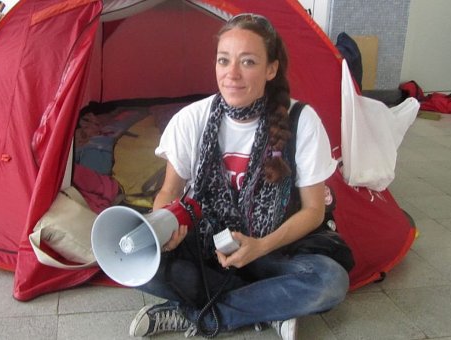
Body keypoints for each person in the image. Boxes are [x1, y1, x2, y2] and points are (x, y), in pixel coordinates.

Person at [128, 13, 352, 340]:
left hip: (273, 249)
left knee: (330, 282)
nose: (231, 74)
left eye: (247, 62)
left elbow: (313, 211)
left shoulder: (301, 120)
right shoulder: (192, 119)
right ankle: (268, 305)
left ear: (271, 69)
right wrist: (166, 224)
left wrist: (259, 247)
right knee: (138, 264)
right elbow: (169, 192)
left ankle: (199, 315)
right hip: (206, 246)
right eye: (223, 60)